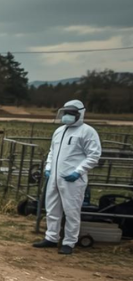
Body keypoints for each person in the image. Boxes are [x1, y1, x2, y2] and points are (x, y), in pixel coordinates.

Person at [32, 100, 101, 255]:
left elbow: (94, 155)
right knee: (52, 209)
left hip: (73, 180)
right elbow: (52, 152)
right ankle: (51, 237)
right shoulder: (59, 131)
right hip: (54, 178)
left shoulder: (87, 132)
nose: (67, 116)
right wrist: (48, 168)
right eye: (66, 113)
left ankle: (69, 242)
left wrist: (78, 171)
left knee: (71, 211)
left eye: (71, 113)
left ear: (80, 114)